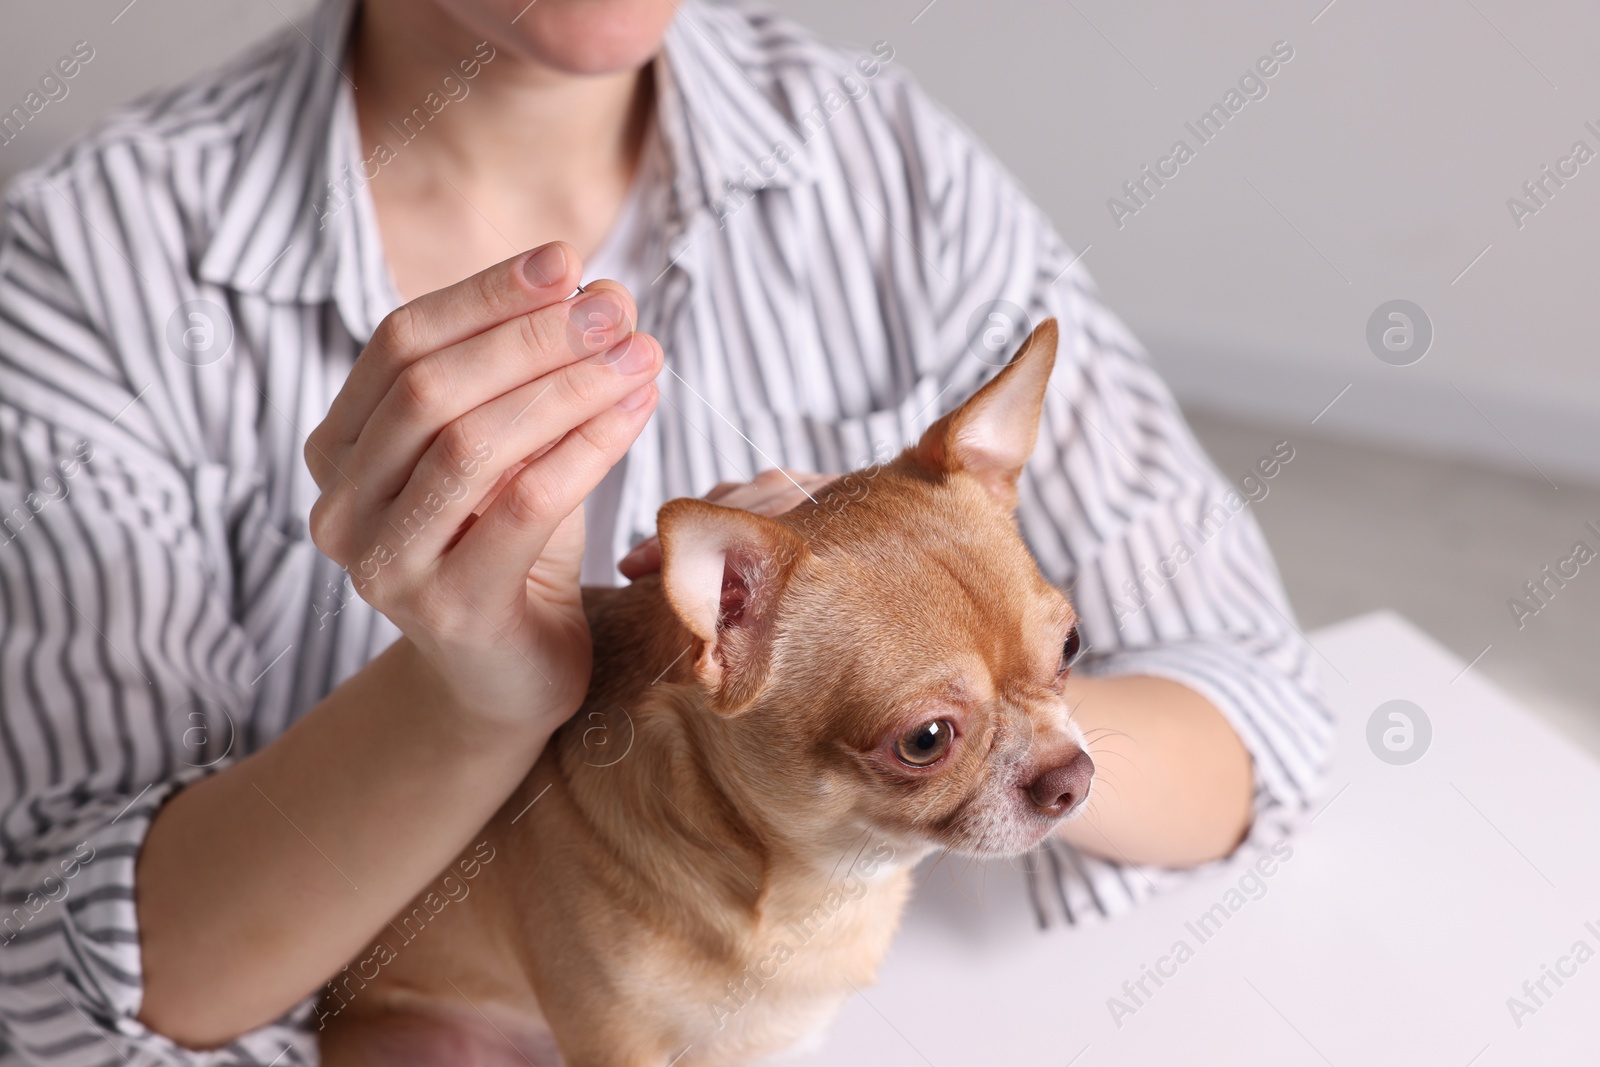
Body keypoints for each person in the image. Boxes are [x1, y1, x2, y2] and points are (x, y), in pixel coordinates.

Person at [0, 0, 1331, 1060]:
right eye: (919, 737)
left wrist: (961, 682)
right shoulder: (87, 268)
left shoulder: (882, 163)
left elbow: (1257, 720)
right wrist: (474, 698)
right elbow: (54, 982)